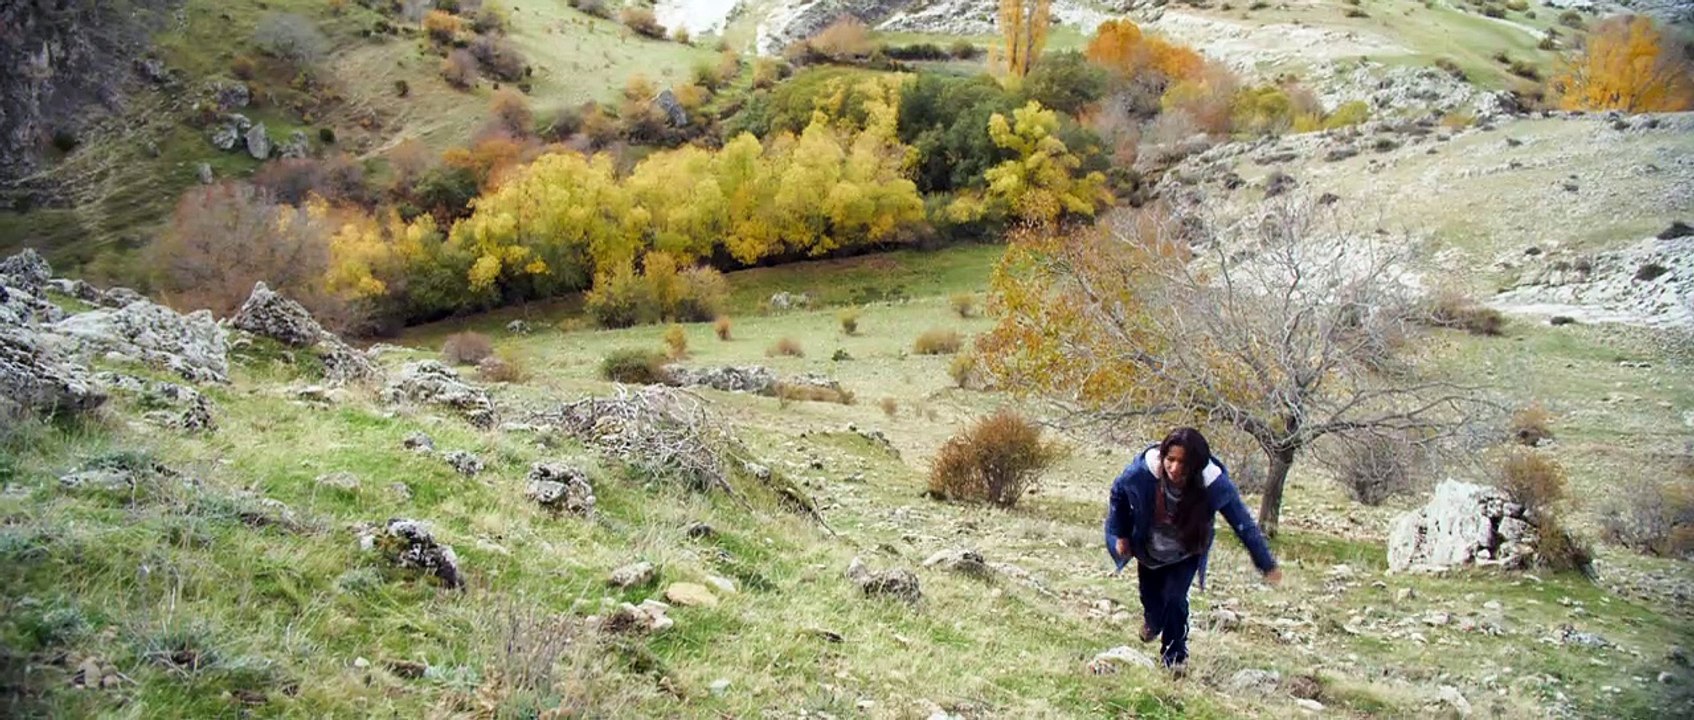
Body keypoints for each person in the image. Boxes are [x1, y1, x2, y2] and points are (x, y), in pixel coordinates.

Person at [1104, 427, 1282, 672]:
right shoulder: (1142, 473)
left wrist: (1266, 563)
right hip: (1149, 551)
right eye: (1170, 460)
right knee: (1152, 602)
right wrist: (1121, 535)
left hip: (1185, 553)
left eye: (1183, 464)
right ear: (1163, 458)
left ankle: (1174, 659)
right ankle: (1153, 623)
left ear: (1196, 466)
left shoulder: (1214, 485)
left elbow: (1242, 523)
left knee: (1176, 600)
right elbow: (1118, 494)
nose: (1175, 469)